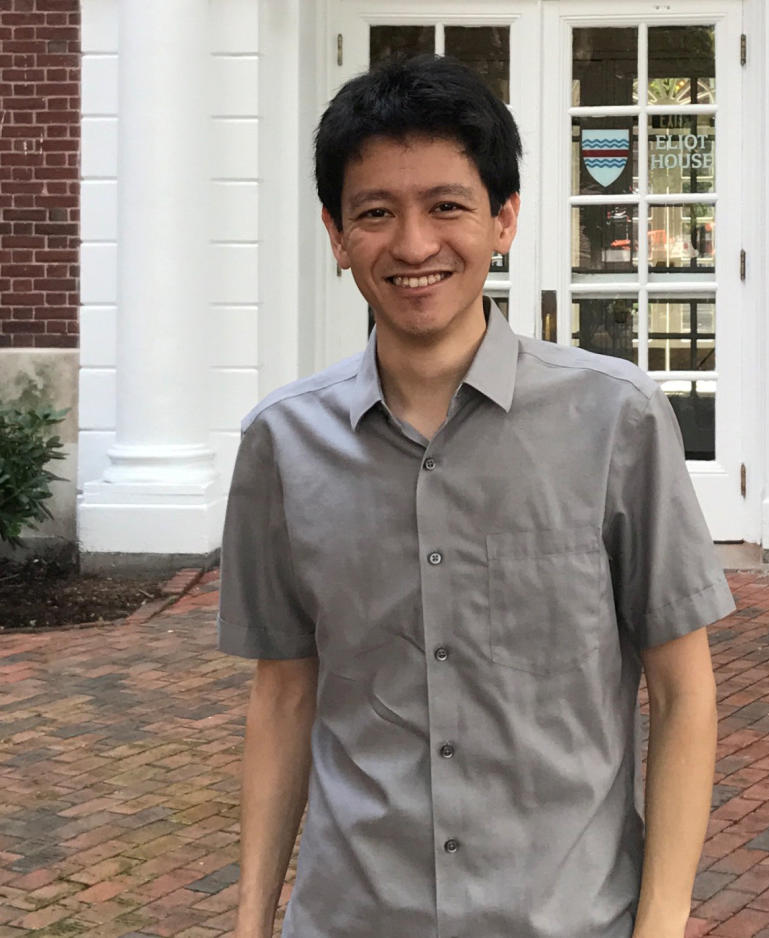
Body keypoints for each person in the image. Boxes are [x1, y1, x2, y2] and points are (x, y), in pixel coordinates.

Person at [217, 53, 737, 938]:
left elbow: (684, 695)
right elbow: (282, 696)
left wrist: (662, 925)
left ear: (504, 220)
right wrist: (250, 924)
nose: (414, 246)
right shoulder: (281, 444)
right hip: (353, 918)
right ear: (337, 237)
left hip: (571, 918)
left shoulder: (617, 419)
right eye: (375, 213)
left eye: (447, 206)